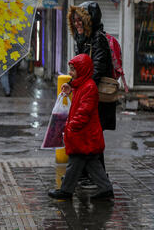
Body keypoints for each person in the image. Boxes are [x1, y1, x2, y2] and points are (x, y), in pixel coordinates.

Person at [48, 54, 113, 200]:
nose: (70, 73)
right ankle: (105, 189)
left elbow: (84, 111)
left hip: (84, 134)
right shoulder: (81, 85)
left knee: (76, 162)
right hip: (84, 134)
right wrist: (69, 87)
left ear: (82, 70)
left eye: (73, 69)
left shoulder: (89, 87)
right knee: (90, 162)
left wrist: (71, 126)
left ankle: (66, 191)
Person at [63, 1, 116, 176]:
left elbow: (97, 70)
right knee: (88, 136)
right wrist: (71, 84)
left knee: (91, 137)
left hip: (96, 97)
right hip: (88, 94)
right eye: (75, 20)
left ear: (89, 20)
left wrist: (77, 87)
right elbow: (80, 70)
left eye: (80, 20)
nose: (77, 23)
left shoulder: (97, 39)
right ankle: (91, 177)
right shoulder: (83, 39)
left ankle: (97, 179)